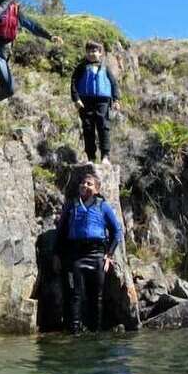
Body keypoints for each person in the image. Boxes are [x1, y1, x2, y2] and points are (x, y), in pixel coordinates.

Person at [54, 172, 122, 334]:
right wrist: (56, 255)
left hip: (97, 254)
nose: (84, 185)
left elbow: (117, 231)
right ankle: (75, 331)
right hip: (76, 254)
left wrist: (109, 255)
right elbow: (60, 231)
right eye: (83, 183)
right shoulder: (71, 205)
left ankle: (95, 332)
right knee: (76, 294)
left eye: (89, 184)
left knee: (97, 296)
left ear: (96, 189)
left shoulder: (103, 206)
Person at [71, 40, 120, 164]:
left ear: (100, 53)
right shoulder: (81, 67)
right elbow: (74, 83)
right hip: (85, 101)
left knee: (103, 127)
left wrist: (116, 99)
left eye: (94, 51)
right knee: (88, 128)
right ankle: (91, 157)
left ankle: (105, 156)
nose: (91, 54)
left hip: (103, 101)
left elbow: (113, 83)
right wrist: (76, 99)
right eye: (89, 51)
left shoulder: (105, 67)